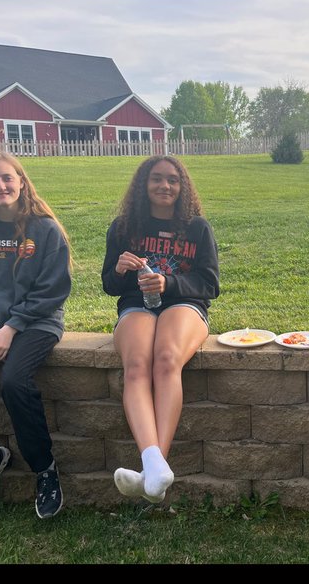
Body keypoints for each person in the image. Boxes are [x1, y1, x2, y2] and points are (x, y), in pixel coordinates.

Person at [0, 152, 72, 519]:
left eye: (7, 178)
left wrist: (11, 327)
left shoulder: (45, 229)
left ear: (22, 181)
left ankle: (45, 469)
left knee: (13, 382)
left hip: (37, 322)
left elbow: (52, 289)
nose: (0, 186)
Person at [101, 154, 218, 502]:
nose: (164, 186)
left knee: (166, 359)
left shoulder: (196, 227)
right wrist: (121, 271)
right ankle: (155, 469)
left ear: (182, 187)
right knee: (136, 364)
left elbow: (209, 284)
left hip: (185, 305)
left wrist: (169, 284)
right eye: (156, 179)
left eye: (172, 180)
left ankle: (153, 467)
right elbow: (109, 285)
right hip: (136, 305)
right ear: (143, 184)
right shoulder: (123, 227)